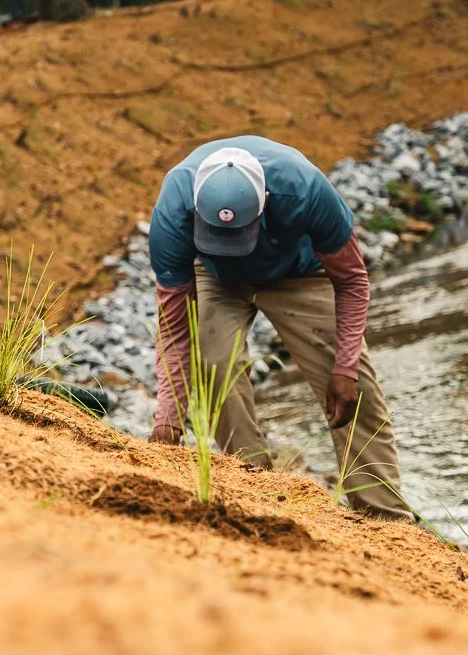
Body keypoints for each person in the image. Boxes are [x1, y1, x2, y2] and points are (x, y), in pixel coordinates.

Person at [148, 136, 412, 521]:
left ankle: (386, 519)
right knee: (213, 365)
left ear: (266, 202)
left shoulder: (305, 189)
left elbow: (352, 280)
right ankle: (259, 490)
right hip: (215, 276)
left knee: (356, 392)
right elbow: (175, 328)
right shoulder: (173, 209)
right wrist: (168, 421)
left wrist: (345, 367)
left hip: (300, 273)